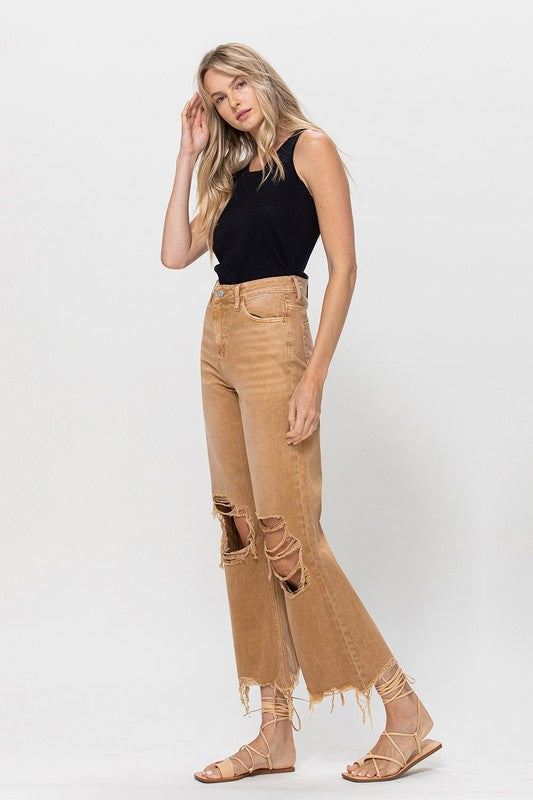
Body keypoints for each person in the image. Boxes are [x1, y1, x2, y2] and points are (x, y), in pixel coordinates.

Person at [161, 42, 442, 785]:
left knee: (291, 537)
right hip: (216, 338)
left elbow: (344, 266)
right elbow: (174, 253)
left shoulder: (309, 146)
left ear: (263, 79)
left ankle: (404, 712)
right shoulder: (228, 170)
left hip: (275, 334)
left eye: (237, 86)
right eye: (218, 98)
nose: (232, 103)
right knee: (241, 531)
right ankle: (274, 733)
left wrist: (312, 377)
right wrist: (188, 156)